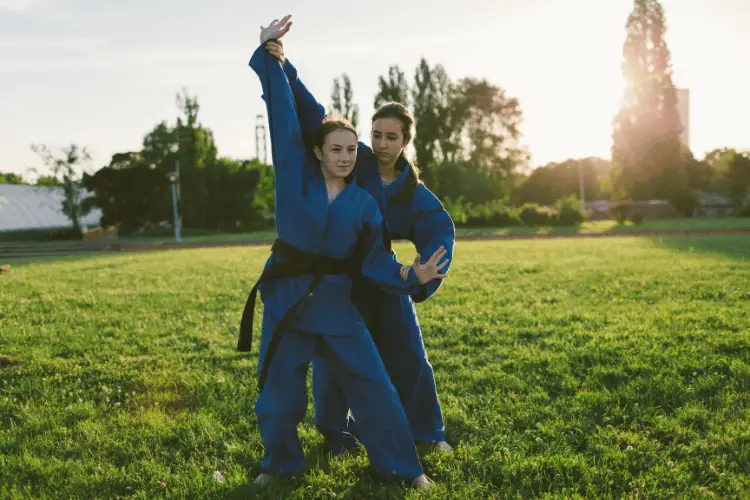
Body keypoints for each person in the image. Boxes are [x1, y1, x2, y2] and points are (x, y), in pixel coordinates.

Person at [242, 16, 448, 490]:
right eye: (336, 149)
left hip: (337, 303)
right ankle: (280, 466)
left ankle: (403, 468)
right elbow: (283, 114)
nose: (346, 156)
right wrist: (272, 57)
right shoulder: (294, 174)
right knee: (278, 396)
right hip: (287, 301)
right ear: (318, 153)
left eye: (352, 150)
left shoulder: (363, 204)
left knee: (374, 387)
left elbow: (373, 260)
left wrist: (411, 276)